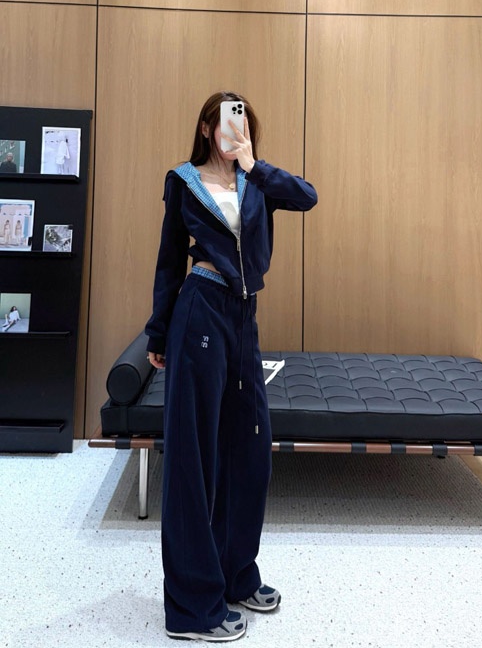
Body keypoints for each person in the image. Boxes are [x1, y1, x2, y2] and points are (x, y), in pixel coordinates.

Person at [145, 91, 318, 642]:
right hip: (199, 309)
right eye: (222, 119)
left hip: (243, 317)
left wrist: (253, 164)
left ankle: (235, 575)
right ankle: (192, 608)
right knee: (194, 459)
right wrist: (158, 331)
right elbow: (169, 259)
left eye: (239, 119)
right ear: (205, 127)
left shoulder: (256, 181)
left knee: (249, 450)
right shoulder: (184, 181)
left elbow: (308, 197)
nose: (230, 127)